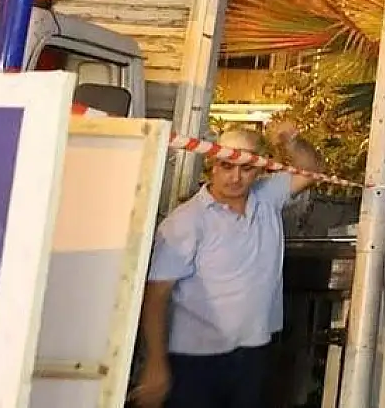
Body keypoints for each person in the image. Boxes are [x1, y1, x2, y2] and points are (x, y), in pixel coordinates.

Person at [132, 120, 325, 408]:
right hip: (194, 360)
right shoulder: (186, 221)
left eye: (246, 168)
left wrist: (292, 140)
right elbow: (156, 296)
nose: (235, 177)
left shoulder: (267, 199)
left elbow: (311, 170)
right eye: (226, 166)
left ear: (260, 170)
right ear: (212, 164)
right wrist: (155, 365)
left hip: (253, 352)